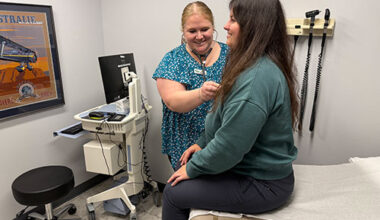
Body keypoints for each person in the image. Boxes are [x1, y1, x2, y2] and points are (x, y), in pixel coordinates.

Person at [162, 0, 299, 219]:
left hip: (264, 184)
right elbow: (221, 115)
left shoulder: (255, 78)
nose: (226, 26)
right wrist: (202, 143)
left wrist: (193, 168)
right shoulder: (249, 64)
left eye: (233, 20)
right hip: (250, 169)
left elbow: (229, 147)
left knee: (172, 192)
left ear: (253, 25)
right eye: (192, 30)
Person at [153, 1, 229, 169]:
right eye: (192, 31)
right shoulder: (172, 59)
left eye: (205, 29)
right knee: (190, 190)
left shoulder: (230, 55)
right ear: (183, 32)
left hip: (221, 139)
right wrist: (201, 94)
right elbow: (173, 101)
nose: (199, 36)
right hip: (184, 142)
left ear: (213, 27)